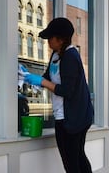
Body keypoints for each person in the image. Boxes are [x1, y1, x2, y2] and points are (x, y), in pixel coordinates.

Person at [24, 17, 94, 173]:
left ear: (61, 39)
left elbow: (67, 91)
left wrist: (41, 82)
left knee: (72, 162)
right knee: (76, 157)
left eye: (51, 37)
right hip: (63, 115)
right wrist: (28, 76)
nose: (48, 41)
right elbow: (48, 77)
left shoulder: (71, 56)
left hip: (74, 118)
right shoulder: (56, 55)